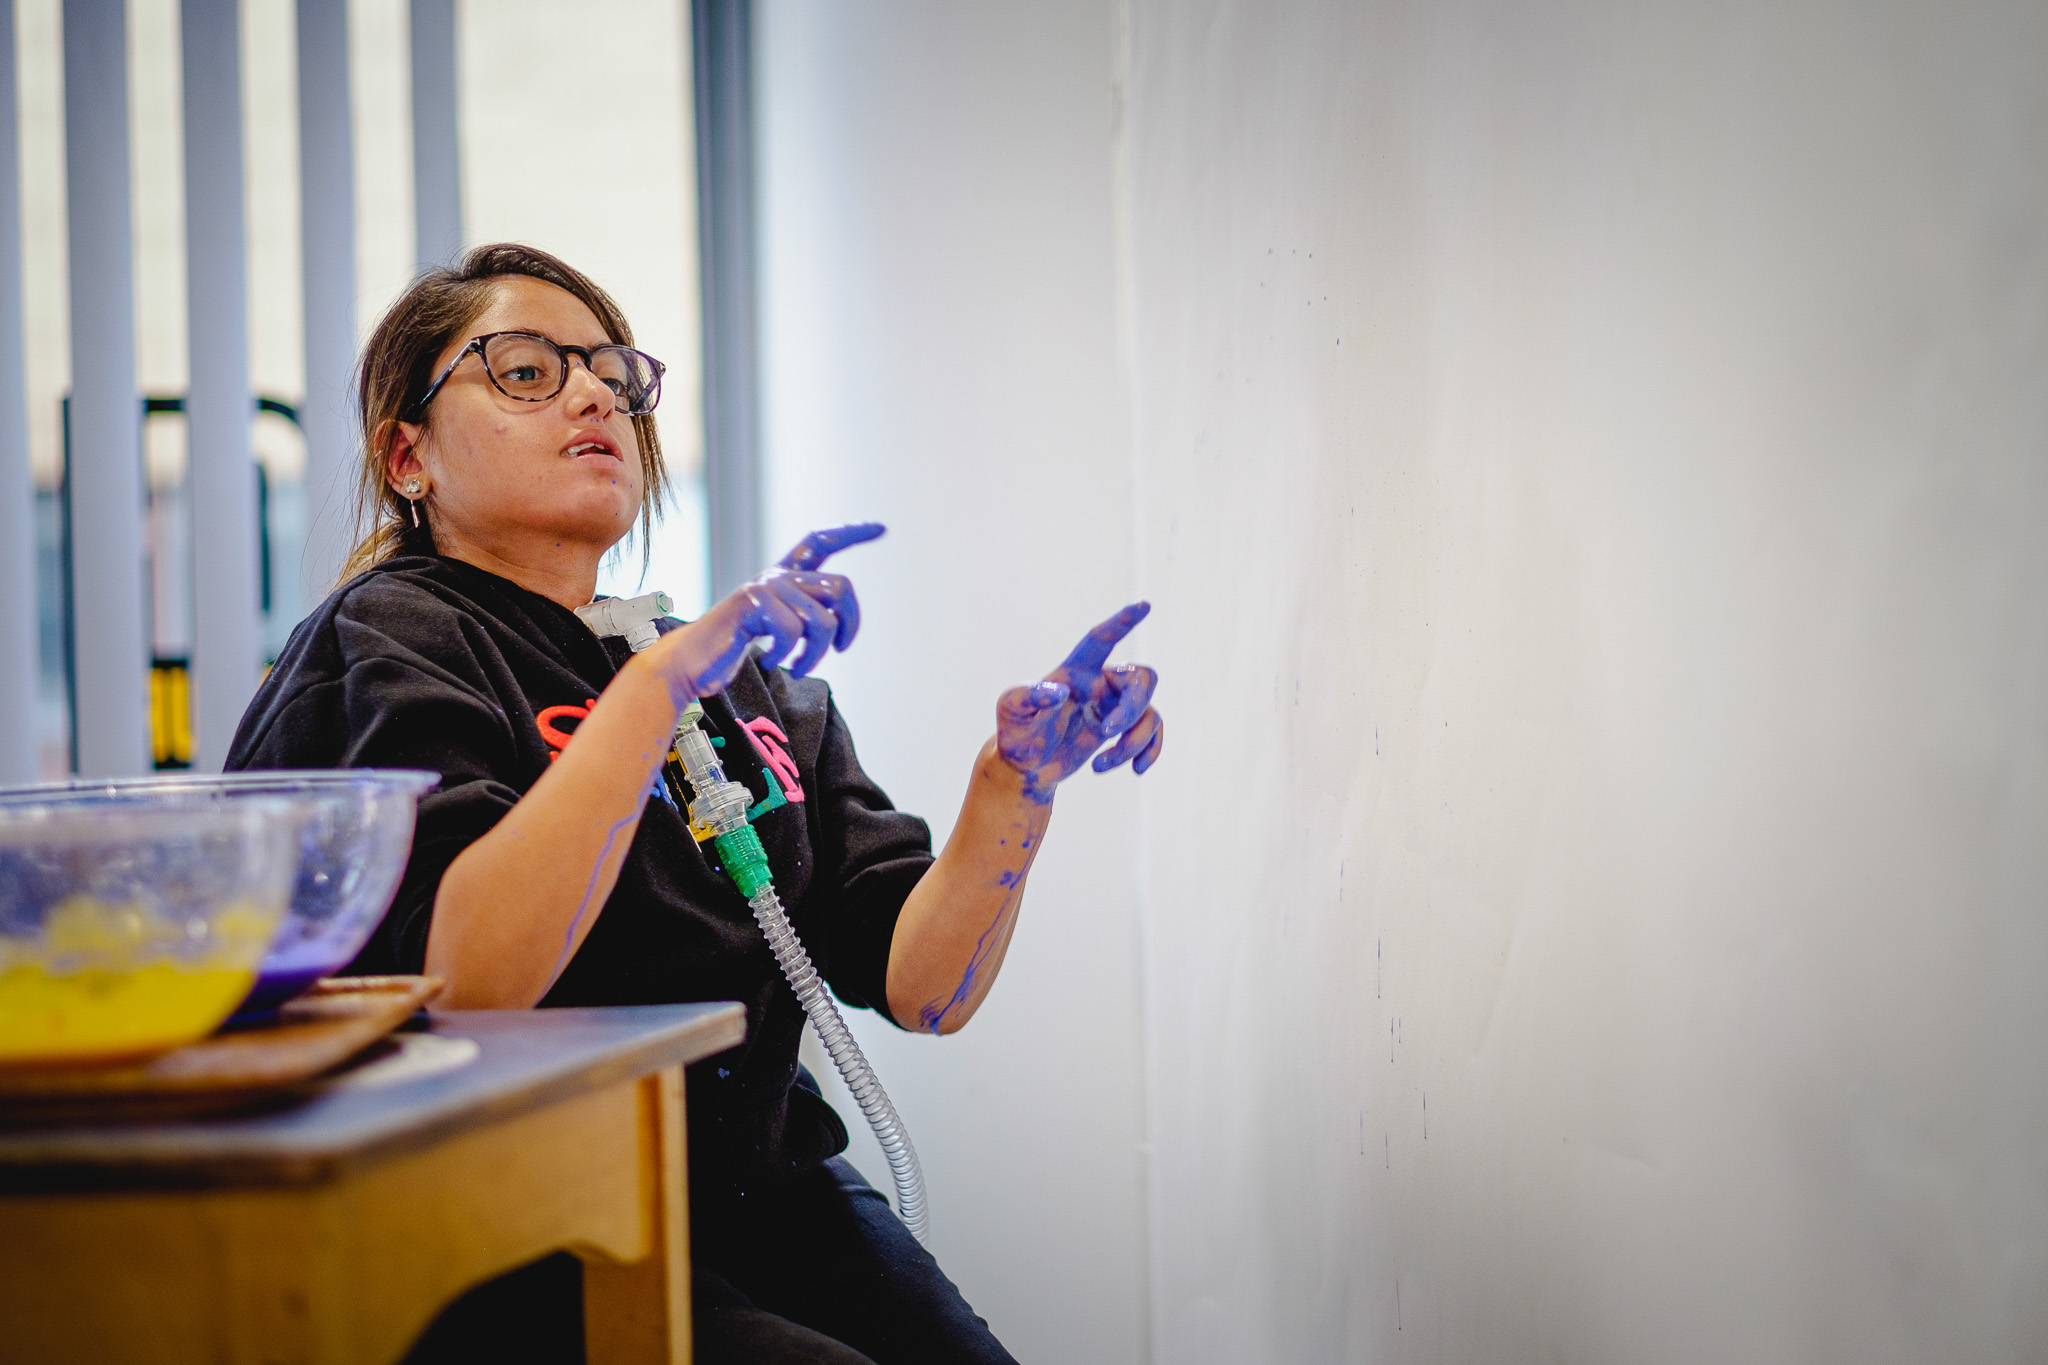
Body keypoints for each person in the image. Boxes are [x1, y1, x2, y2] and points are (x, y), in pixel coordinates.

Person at [227, 243, 1163, 1364]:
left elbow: (922, 988)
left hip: (762, 1192)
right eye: (525, 370)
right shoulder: (391, 639)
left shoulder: (729, 678)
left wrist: (1013, 785)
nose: (593, 394)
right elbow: (469, 979)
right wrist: (656, 689)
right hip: (511, 1224)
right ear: (407, 454)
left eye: (616, 378)